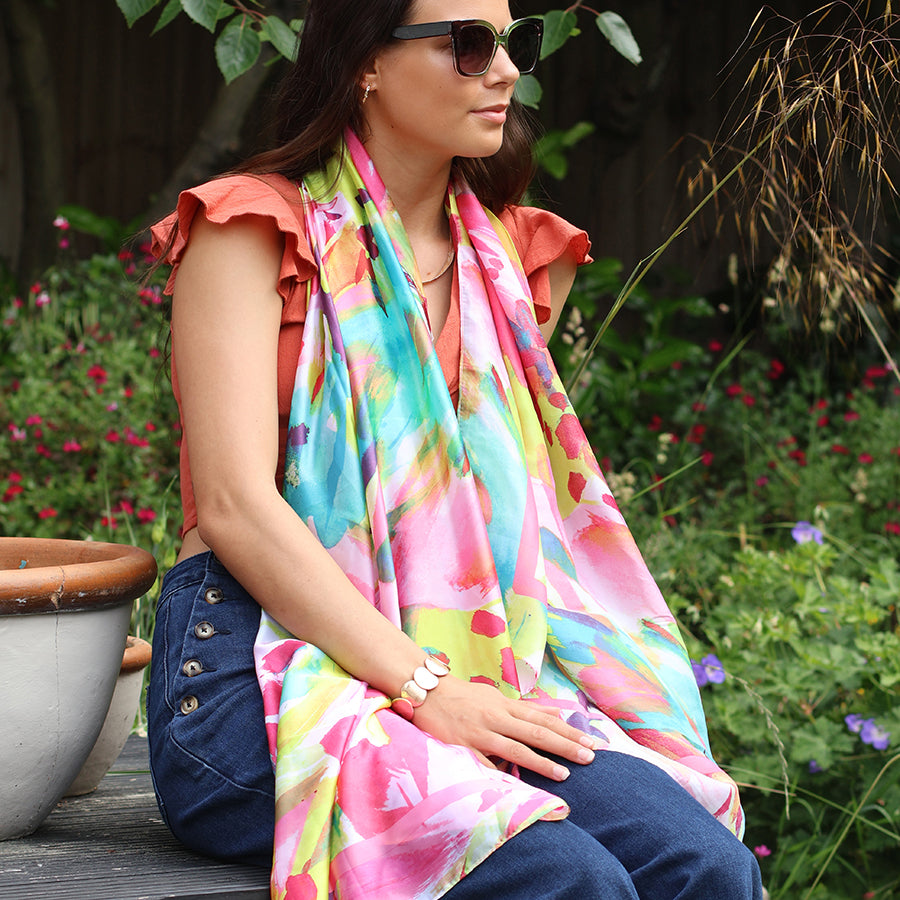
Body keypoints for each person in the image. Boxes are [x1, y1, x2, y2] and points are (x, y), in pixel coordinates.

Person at [147, 1, 764, 897]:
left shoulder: (512, 256)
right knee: (566, 876)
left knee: (704, 865)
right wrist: (425, 690)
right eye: (469, 45)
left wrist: (456, 688)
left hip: (475, 663)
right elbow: (238, 505)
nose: (507, 70)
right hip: (258, 668)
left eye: (507, 42)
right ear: (364, 63)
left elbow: (492, 520)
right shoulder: (250, 229)